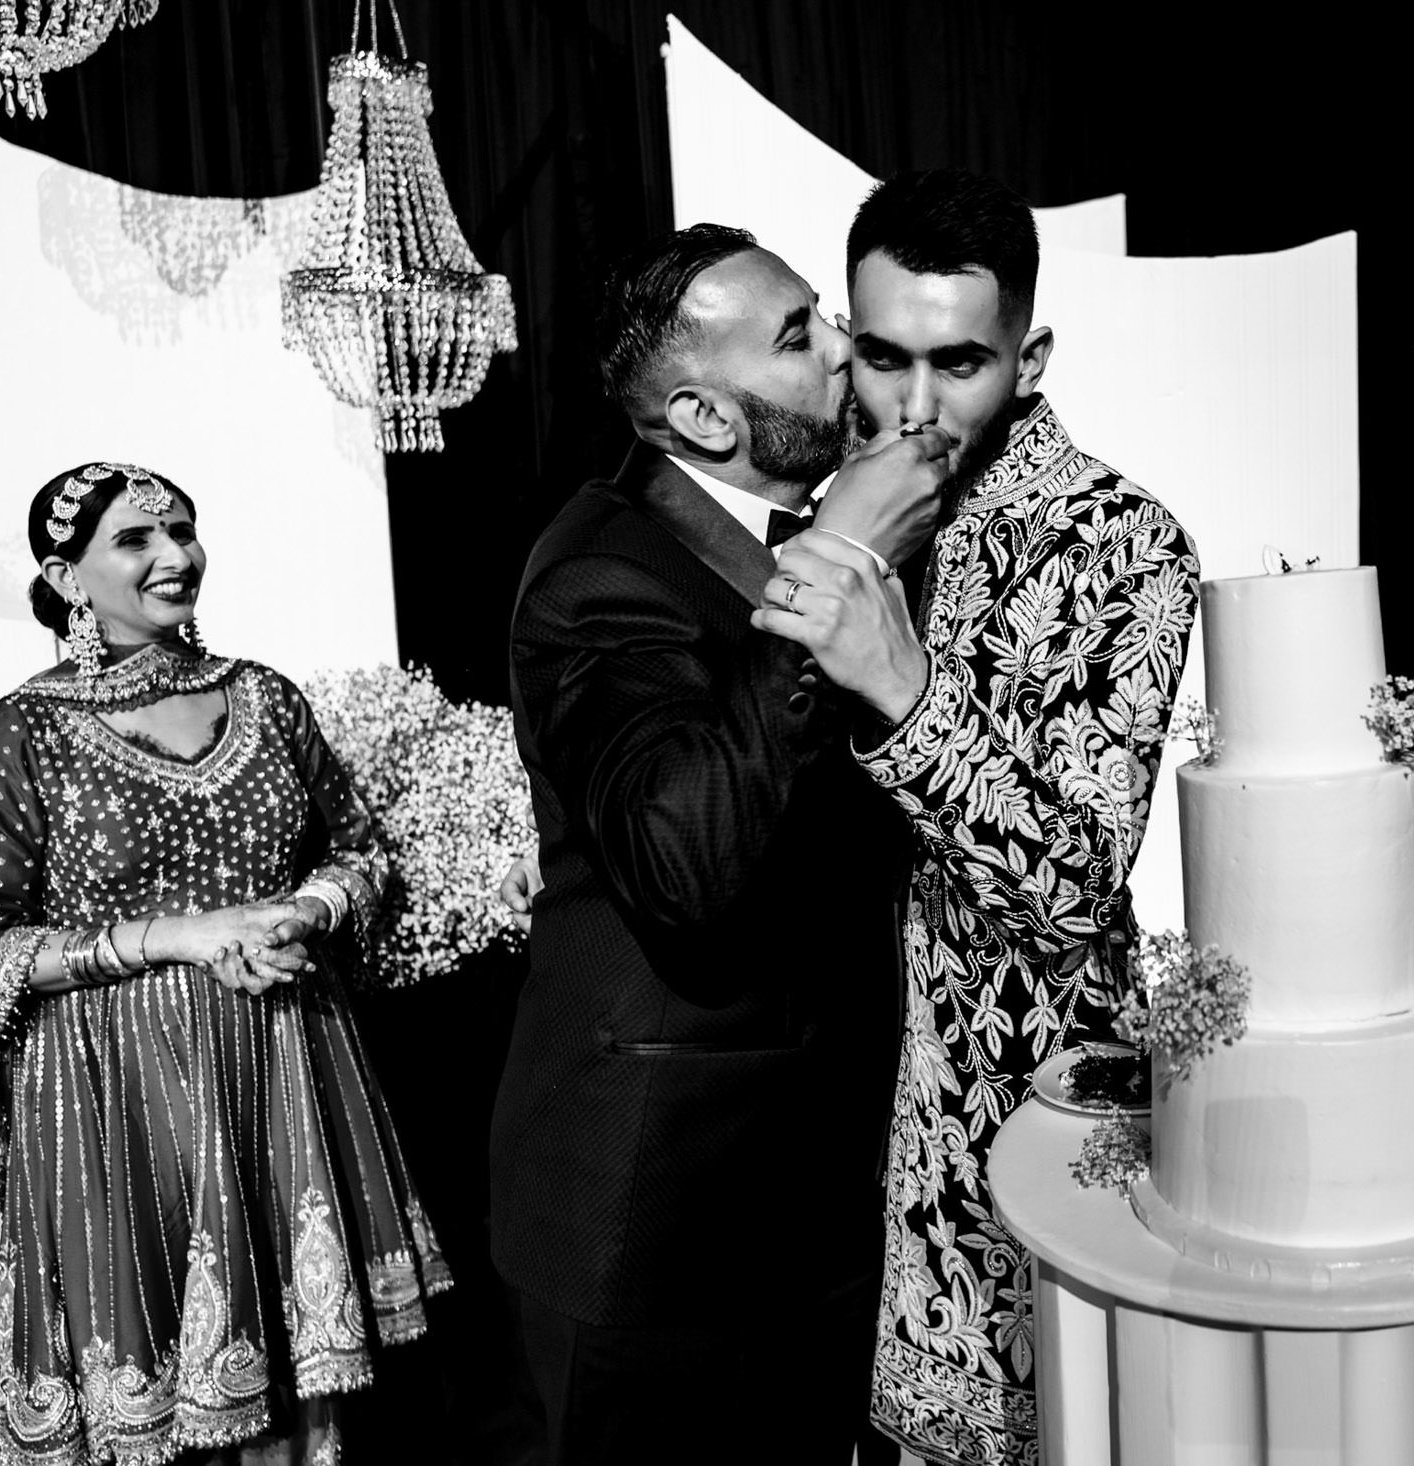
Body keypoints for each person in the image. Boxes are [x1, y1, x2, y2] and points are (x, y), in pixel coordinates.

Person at [756, 169, 1200, 1466]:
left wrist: (900, 685)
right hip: (800, 1122)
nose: (912, 403)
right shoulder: (812, 511)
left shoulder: (1123, 547)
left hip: (997, 1143)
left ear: (1029, 353)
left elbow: (1072, 881)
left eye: (959, 361)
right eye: (884, 354)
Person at [494, 224, 952, 1464]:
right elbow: (682, 859)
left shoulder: (839, 530)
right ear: (702, 415)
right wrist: (838, 555)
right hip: (651, 1214)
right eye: (801, 337)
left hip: (809, 1198)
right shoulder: (597, 571)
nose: (845, 349)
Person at [0, 463, 448, 1466]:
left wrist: (302, 908)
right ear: (65, 574)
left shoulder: (262, 696)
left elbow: (362, 850)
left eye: (184, 530)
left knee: (302, 1398)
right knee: (160, 1398)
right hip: (119, 1098)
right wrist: (177, 937)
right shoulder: (20, 733)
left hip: (282, 1060)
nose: (175, 556)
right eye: (136, 539)